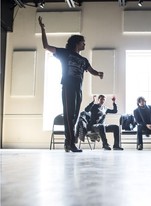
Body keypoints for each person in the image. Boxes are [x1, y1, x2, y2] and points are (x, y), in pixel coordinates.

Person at [38, 16, 104, 153]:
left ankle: (68, 142)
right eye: (83, 43)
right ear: (77, 43)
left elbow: (91, 70)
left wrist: (99, 74)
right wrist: (43, 29)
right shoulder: (65, 53)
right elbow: (46, 46)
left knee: (74, 116)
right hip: (68, 87)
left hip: (78, 90)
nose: (85, 45)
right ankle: (70, 142)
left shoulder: (84, 60)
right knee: (68, 115)